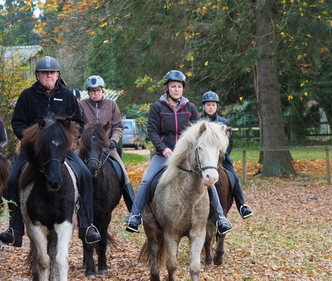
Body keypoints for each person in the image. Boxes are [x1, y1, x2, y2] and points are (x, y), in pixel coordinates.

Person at [0, 56, 101, 247]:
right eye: (44, 73)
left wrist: (70, 141)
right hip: (33, 151)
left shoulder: (68, 96)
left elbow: (78, 122)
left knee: (86, 174)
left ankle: (87, 225)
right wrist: (30, 139)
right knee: (12, 179)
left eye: (52, 73)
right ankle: (15, 229)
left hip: (61, 150)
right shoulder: (27, 96)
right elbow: (17, 123)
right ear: (37, 75)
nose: (48, 76)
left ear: (57, 75)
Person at [124, 70, 233, 235]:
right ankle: (135, 215)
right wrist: (163, 148)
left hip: (186, 157)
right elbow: (152, 131)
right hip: (164, 155)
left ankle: (220, 217)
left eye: (179, 86)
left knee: (208, 180)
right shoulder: (157, 107)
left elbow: (199, 131)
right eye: (173, 86)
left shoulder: (190, 107)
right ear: (167, 88)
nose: (176, 89)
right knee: (147, 180)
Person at [78, 75, 136, 211]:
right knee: (72, 168)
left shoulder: (111, 105)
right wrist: (81, 140)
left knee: (123, 173)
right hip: (87, 149)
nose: (95, 94)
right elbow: (77, 126)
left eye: (98, 91)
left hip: (107, 148)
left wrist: (113, 140)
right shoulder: (82, 105)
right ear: (88, 92)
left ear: (102, 91)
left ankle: (133, 209)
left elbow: (118, 126)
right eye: (92, 91)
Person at [199, 91, 254, 219]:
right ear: (204, 107)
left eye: (213, 105)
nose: (210, 107)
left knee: (234, 178)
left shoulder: (222, 122)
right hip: (204, 160)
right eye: (208, 105)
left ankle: (242, 205)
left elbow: (230, 142)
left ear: (216, 107)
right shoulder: (199, 122)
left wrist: (223, 155)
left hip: (221, 158)